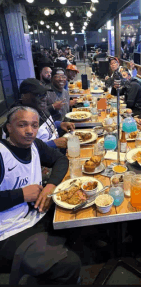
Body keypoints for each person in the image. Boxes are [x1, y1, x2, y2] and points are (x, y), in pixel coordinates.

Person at [0, 106, 81, 285]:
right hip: (8, 231)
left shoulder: (35, 145)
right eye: (23, 125)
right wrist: (20, 194)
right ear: (9, 128)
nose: (30, 131)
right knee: (68, 265)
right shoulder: (1, 154)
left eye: (35, 126)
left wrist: (50, 186)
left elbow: (60, 160)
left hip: (35, 214)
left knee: (79, 218)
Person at [1, 78, 75, 150]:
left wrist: (60, 124)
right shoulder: (17, 119)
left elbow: (46, 126)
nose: (44, 98)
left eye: (45, 94)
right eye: (39, 95)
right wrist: (53, 144)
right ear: (23, 96)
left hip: (56, 154)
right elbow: (22, 152)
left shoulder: (38, 108)